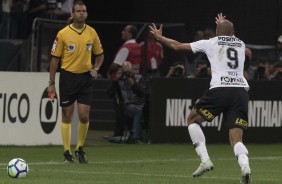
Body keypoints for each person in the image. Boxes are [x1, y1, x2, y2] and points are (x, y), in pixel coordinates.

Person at [149, 13, 252, 184]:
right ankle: (245, 167)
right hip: (240, 91)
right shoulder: (240, 43)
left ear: (217, 32)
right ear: (233, 31)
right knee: (237, 139)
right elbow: (228, 33)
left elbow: (177, 46)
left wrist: (160, 38)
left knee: (192, 120)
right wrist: (223, 25)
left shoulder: (210, 42)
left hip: (220, 88)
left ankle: (205, 160)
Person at [47, 1, 104, 163]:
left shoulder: (92, 33)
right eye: (78, 11)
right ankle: (67, 152)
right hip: (68, 77)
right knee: (67, 114)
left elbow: (100, 54)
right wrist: (51, 82)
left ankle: (80, 148)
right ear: (72, 14)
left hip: (86, 77)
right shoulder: (63, 34)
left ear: (86, 13)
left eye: (84, 11)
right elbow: (54, 59)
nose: (81, 13)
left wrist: (96, 68)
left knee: (84, 116)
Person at [107, 61, 148, 144]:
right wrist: (115, 81)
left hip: (139, 104)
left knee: (144, 110)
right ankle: (135, 137)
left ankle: (143, 135)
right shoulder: (118, 81)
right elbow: (109, 94)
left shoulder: (138, 78)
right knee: (137, 111)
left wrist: (133, 84)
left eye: (129, 71)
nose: (127, 74)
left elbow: (142, 93)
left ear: (132, 70)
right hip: (125, 106)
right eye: (125, 71)